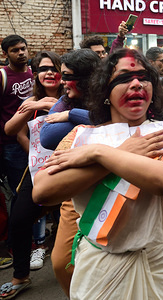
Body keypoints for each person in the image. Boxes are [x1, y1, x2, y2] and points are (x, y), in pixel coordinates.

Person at [32, 48, 163, 299]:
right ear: (105, 91)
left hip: (161, 266)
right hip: (101, 271)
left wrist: (100, 154)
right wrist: (119, 151)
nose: (137, 84)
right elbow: (42, 190)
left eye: (144, 77)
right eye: (124, 78)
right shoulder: (82, 136)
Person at [0, 50, 63, 299]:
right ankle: (20, 276)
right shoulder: (30, 101)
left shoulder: (72, 98)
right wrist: (36, 152)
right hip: (38, 170)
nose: (49, 72)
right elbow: (11, 129)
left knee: (73, 222)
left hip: (73, 169)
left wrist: (42, 103)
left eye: (54, 68)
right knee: (19, 219)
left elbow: (64, 109)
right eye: (43, 69)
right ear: (35, 75)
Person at [39, 49, 101, 297]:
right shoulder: (66, 99)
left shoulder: (107, 96)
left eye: (67, 76)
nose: (61, 81)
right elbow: (48, 135)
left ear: (87, 79)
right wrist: (77, 115)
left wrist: (72, 116)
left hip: (112, 188)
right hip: (74, 191)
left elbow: (116, 122)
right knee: (62, 262)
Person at [0, 34, 34, 269]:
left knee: (30, 193)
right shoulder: (3, 76)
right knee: (18, 194)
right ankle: (17, 244)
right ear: (6, 54)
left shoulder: (33, 72)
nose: (21, 53)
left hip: (33, 139)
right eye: (15, 50)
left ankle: (32, 240)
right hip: (10, 143)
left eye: (23, 48)